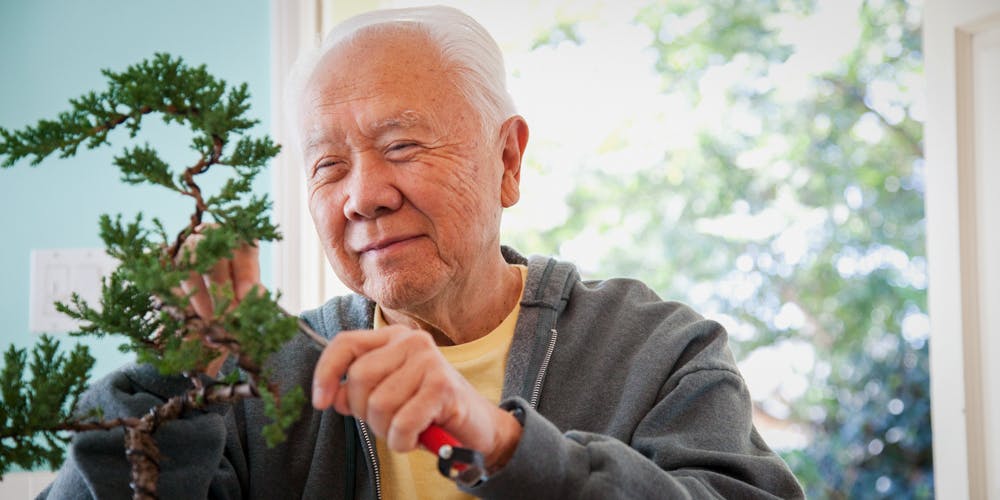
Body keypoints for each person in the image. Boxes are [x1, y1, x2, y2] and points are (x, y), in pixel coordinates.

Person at [41, 5, 804, 499]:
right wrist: (171, 394)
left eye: (401, 144)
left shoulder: (659, 349)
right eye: (327, 166)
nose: (362, 195)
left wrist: (505, 445)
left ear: (507, 160)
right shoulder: (259, 381)